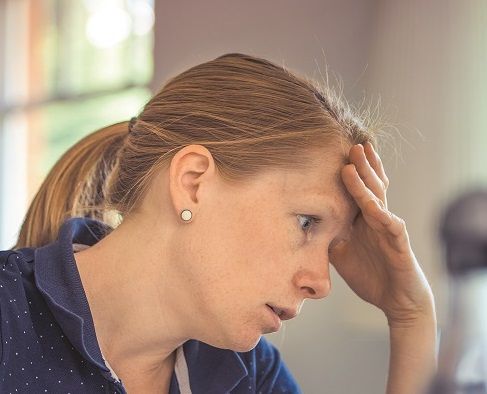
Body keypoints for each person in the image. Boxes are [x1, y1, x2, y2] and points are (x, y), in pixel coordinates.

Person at [0, 53, 437, 394]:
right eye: (307, 223)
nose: (321, 283)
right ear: (193, 183)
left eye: (332, 246)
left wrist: (411, 317)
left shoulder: (247, 375)